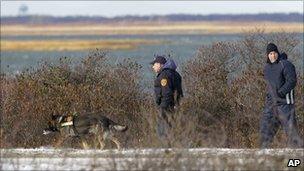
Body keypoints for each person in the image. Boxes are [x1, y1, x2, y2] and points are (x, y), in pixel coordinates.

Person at [260, 43, 303, 148]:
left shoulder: (286, 64)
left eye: (274, 53)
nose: (273, 55)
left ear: (277, 53)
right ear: (267, 55)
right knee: (266, 129)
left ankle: (297, 157)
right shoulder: (267, 68)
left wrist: (280, 93)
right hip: (271, 104)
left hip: (285, 104)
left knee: (291, 131)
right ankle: (264, 154)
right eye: (270, 53)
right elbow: (269, 86)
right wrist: (268, 99)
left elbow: (292, 81)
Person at [150, 55, 183, 144]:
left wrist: (162, 107)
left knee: (162, 128)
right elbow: (178, 92)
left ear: (160, 64)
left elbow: (167, 93)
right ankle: (172, 145)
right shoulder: (175, 74)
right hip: (175, 105)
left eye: (154, 64)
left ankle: (163, 146)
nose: (153, 67)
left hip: (166, 106)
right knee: (171, 127)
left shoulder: (164, 75)